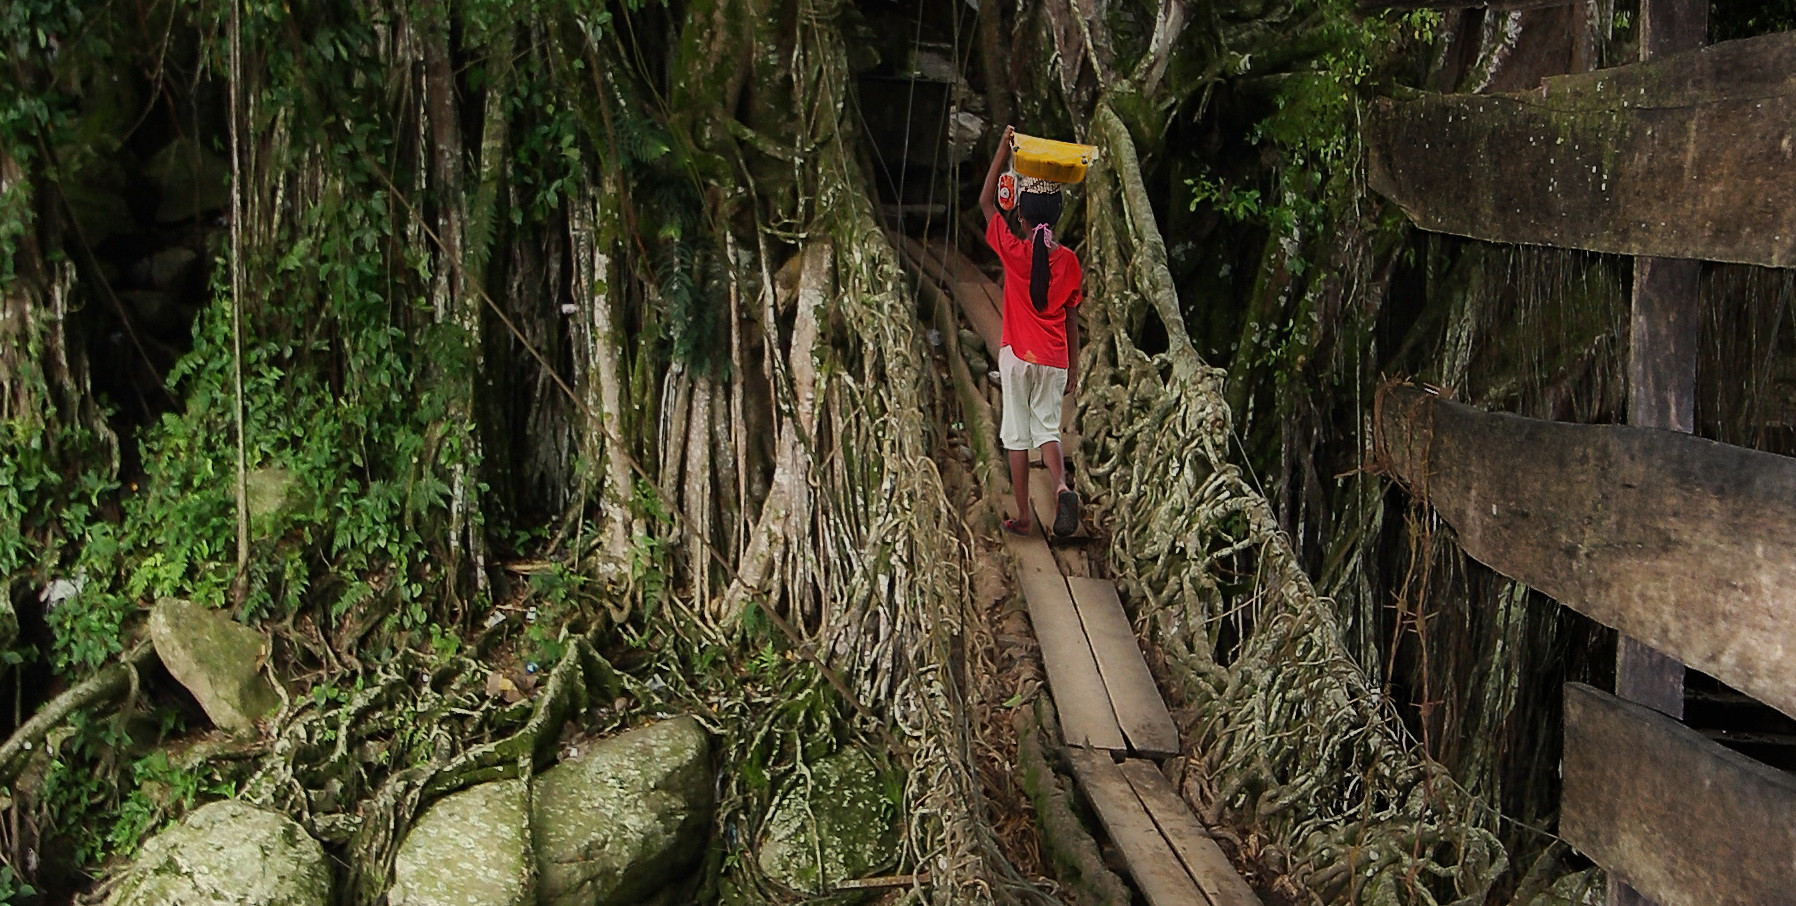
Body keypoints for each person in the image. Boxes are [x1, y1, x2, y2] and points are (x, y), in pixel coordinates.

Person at [978, 125, 1083, 538]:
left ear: (1020, 216)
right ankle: (1060, 487)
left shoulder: (1013, 252)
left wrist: (1002, 150)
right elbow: (1071, 317)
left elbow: (986, 202)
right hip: (1055, 360)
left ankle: (1024, 516)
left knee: (1017, 436)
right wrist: (1074, 367)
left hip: (1018, 357)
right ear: (1057, 216)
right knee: (1047, 430)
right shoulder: (1069, 261)